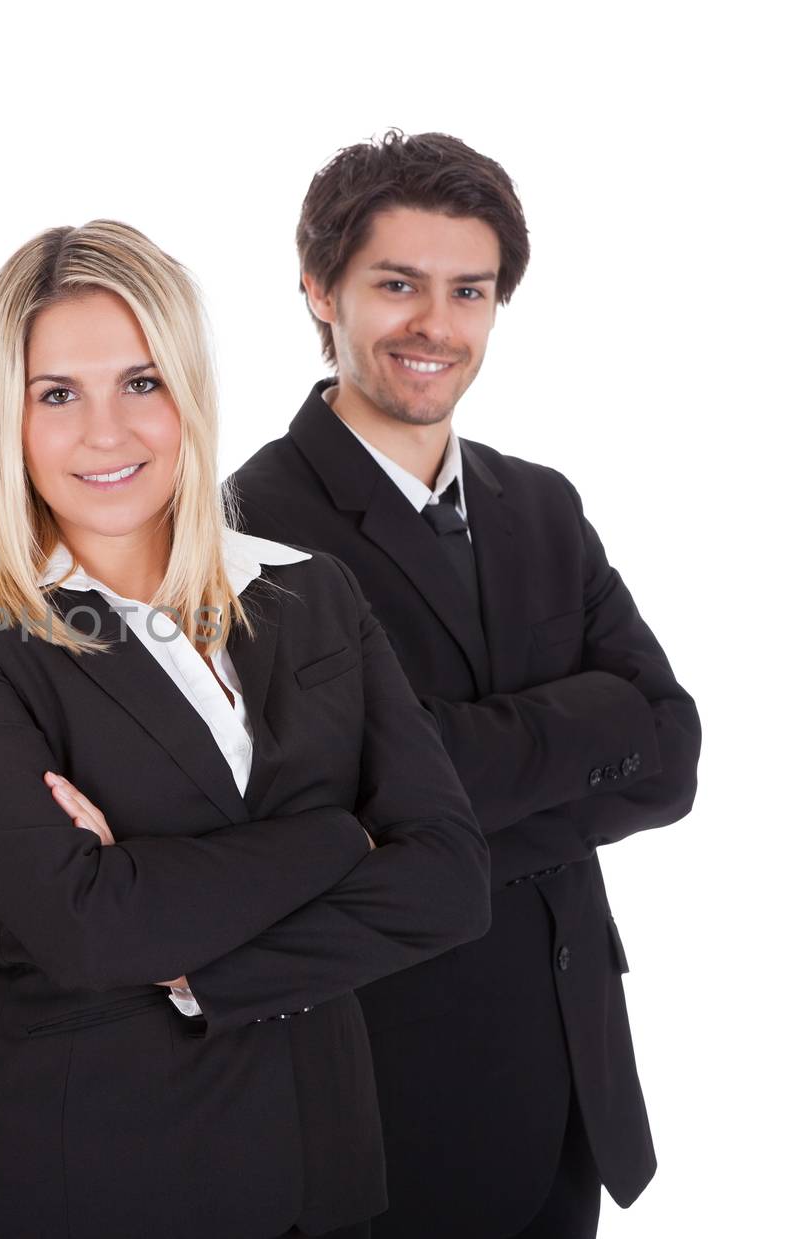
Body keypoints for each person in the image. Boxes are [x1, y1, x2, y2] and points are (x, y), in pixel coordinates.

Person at [0, 220, 491, 1239]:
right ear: (7, 416)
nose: (106, 434)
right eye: (55, 394)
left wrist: (203, 953)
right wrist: (340, 838)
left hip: (323, 1166)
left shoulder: (310, 593)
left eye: (141, 382)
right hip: (102, 1178)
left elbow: (449, 880)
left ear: (189, 391)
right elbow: (93, 928)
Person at [228, 131, 701, 1239]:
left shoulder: (539, 502)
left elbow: (672, 753)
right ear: (318, 290)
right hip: (395, 1087)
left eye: (467, 291)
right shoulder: (250, 528)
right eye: (396, 285)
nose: (434, 325)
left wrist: (446, 794)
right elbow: (355, 804)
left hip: (571, 1061)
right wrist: (586, 729)